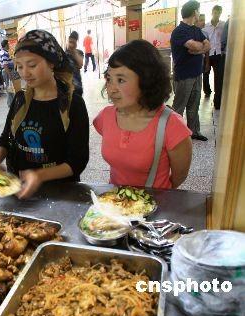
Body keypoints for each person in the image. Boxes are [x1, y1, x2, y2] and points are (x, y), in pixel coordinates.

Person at [0, 30, 89, 199]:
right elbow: (6, 137)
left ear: (51, 63)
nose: (25, 73)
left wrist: (38, 175)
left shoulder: (72, 104)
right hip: (19, 191)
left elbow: (77, 162)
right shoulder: (20, 99)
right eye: (20, 66)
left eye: (32, 65)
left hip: (60, 193)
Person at [94, 40, 192, 189]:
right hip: (115, 203)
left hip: (154, 205)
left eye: (120, 80)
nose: (111, 89)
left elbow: (179, 176)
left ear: (146, 81)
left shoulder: (171, 126)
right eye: (109, 79)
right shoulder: (105, 117)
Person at [170, 0, 210, 141]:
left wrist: (198, 50)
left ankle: (194, 131)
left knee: (194, 105)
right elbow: (197, 46)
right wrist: (199, 48)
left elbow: (207, 46)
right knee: (179, 107)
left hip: (196, 73)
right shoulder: (179, 31)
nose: (200, 13)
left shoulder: (196, 30)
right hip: (183, 75)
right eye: (199, 10)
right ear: (194, 12)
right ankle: (174, 135)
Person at [202, 5, 225, 110]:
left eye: (219, 12)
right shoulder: (206, 26)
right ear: (212, 12)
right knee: (206, 75)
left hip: (219, 54)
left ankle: (217, 102)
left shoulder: (223, 25)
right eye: (215, 12)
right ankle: (207, 91)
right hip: (208, 54)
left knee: (218, 78)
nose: (217, 14)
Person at [0, 39, 21, 107]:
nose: (9, 46)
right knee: (9, 87)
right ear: (6, 45)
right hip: (7, 71)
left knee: (10, 87)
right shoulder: (4, 53)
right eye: (8, 44)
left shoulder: (5, 52)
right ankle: (10, 103)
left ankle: (12, 102)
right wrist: (9, 75)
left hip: (8, 70)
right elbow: (5, 65)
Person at [66, 30, 84, 95]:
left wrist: (73, 51)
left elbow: (80, 65)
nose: (71, 44)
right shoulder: (64, 53)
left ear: (76, 42)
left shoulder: (79, 52)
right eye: (70, 41)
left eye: (73, 42)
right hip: (67, 86)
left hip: (77, 85)